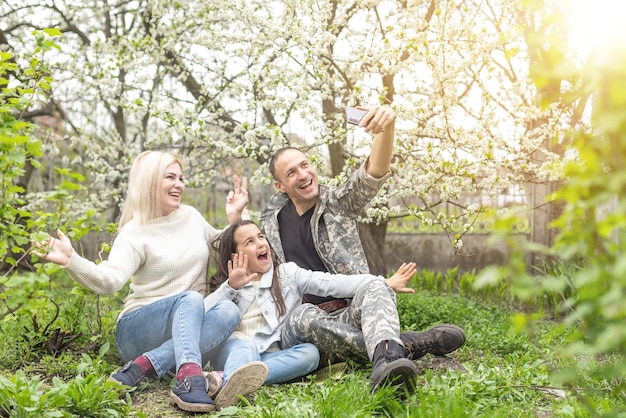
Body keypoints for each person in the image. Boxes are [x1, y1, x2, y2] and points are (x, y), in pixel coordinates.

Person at [35, 150, 265, 413]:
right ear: (150, 181)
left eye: (181, 178)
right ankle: (189, 378)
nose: (179, 184)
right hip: (138, 329)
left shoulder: (191, 216)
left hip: (185, 329)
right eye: (170, 177)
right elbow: (110, 281)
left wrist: (235, 219)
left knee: (228, 310)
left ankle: (143, 366)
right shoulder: (134, 234)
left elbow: (220, 249)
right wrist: (71, 259)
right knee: (191, 299)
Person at [259, 105, 466, 391]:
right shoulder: (270, 220)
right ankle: (402, 345)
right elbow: (254, 258)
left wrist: (387, 128)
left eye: (305, 165)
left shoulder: (337, 204)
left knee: (375, 286)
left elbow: (373, 172)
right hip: (306, 326)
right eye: (292, 172)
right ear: (280, 186)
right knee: (303, 317)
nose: (303, 174)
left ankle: (387, 365)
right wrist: (234, 219)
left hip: (351, 312)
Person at [205, 220, 422, 393]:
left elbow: (332, 283)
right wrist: (229, 287)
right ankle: (231, 381)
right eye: (250, 242)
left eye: (261, 236)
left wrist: (383, 282)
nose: (261, 243)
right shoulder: (230, 285)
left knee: (309, 354)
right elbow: (204, 314)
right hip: (237, 349)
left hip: (273, 356)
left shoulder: (287, 274)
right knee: (246, 347)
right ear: (236, 256)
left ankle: (235, 380)